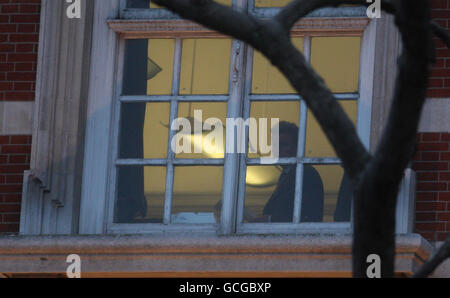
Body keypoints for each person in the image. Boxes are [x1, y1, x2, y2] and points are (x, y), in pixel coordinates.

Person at [261, 121, 324, 222]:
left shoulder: (307, 175)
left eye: (283, 145)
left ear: (297, 147)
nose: (277, 150)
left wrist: (269, 219)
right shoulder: (287, 174)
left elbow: (308, 217)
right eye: (275, 145)